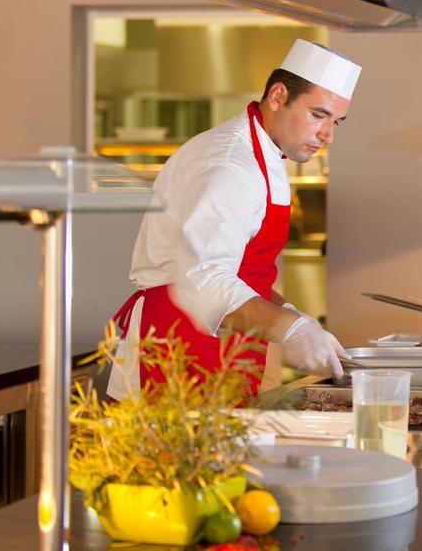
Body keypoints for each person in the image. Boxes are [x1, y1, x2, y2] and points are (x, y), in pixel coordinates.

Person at [107, 40, 361, 399]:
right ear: (277, 96)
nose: (327, 135)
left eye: (336, 121)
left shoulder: (268, 154)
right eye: (318, 115)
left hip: (227, 353)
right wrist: (289, 328)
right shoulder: (228, 165)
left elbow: (240, 269)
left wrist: (288, 311)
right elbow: (204, 279)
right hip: (177, 354)